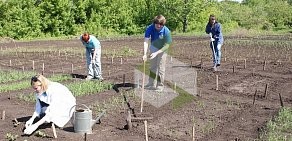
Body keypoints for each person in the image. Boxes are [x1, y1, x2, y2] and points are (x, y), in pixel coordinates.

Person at [143, 15, 172, 92]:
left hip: (162, 49)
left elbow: (167, 46)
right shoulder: (150, 28)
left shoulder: (166, 31)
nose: (159, 26)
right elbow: (146, 40)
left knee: (161, 68)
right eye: (157, 24)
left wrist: (156, 53)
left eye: (161, 24)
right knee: (152, 66)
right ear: (154, 23)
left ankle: (160, 85)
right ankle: (151, 84)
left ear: (163, 24)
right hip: (153, 47)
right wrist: (145, 53)